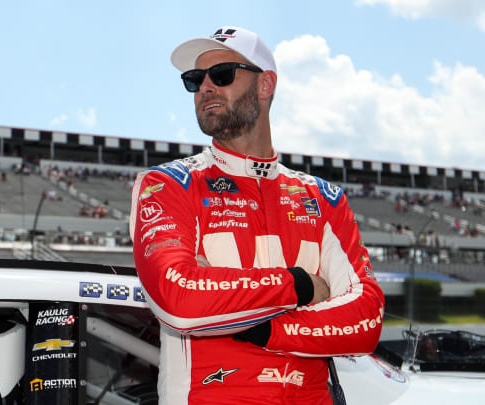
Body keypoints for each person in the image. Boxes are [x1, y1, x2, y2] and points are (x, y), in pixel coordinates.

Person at [129, 26, 384, 405]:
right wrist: (300, 287)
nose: (205, 88)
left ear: (266, 85)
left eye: (222, 75)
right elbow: (178, 301)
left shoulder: (323, 197)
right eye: (194, 80)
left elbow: (365, 320)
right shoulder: (169, 183)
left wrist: (262, 327)